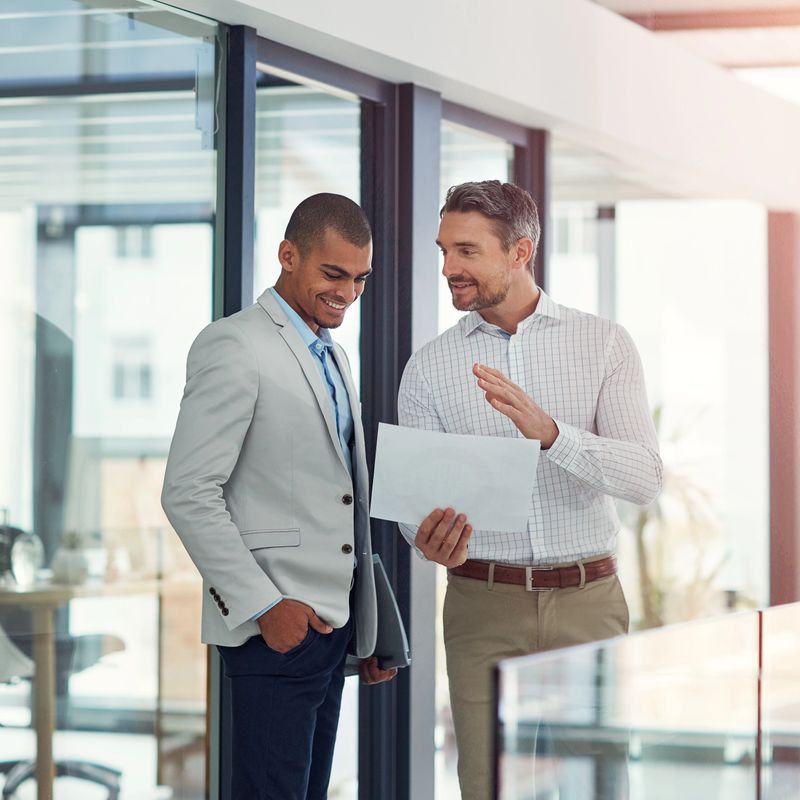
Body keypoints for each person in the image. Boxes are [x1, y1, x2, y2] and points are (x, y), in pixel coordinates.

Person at [398, 180, 662, 800]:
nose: (448, 269)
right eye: (443, 252)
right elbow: (416, 508)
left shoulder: (603, 345)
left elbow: (645, 479)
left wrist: (551, 434)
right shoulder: (429, 368)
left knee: (597, 785)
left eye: (466, 252)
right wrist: (428, 539)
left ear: (521, 252)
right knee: (484, 785)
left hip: (588, 600)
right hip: (480, 603)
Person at [162, 193, 396, 800]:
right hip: (276, 631)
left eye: (360, 279)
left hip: (331, 629)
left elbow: (345, 498)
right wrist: (265, 606)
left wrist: (368, 629)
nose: (347, 292)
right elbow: (188, 491)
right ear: (288, 255)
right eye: (333, 274)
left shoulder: (334, 355)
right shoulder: (234, 346)